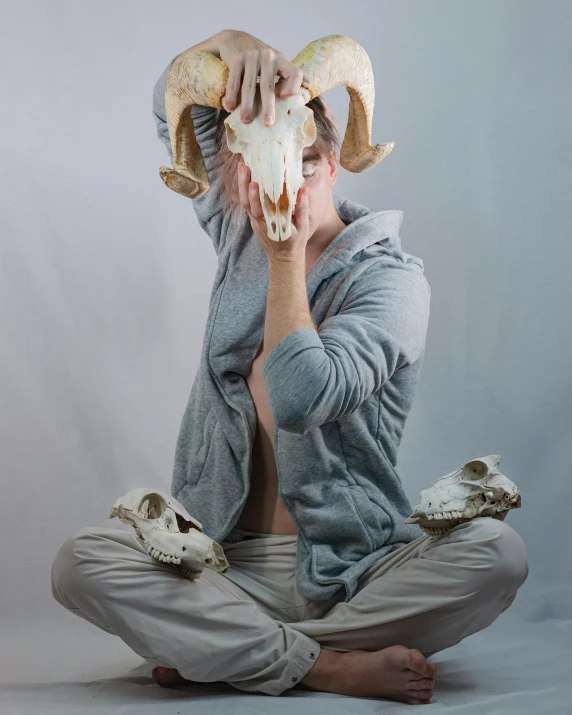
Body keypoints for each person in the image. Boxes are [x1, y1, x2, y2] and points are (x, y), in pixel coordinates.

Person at [50, 29, 529, 705]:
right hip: (224, 565)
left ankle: (225, 647)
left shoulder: (392, 283)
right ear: (235, 168)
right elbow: (172, 107)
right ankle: (324, 663)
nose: (276, 186)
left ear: (332, 161)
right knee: (81, 561)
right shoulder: (237, 218)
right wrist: (242, 48)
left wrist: (284, 260)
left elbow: (304, 395)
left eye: (301, 161)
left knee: (497, 553)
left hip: (354, 572)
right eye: (253, 163)